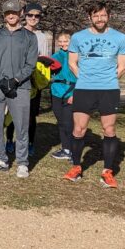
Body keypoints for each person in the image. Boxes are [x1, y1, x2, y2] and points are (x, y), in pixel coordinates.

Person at [63, 3, 125, 188]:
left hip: (109, 90)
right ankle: (76, 167)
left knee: (109, 129)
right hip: (84, 89)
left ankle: (107, 172)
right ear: (89, 17)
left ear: (109, 16)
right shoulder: (78, 37)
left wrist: (108, 80)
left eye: (103, 15)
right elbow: (72, 63)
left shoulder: (120, 38)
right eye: (96, 16)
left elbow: (123, 66)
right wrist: (85, 79)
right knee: (79, 129)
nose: (99, 19)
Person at [0, 0, 38, 178]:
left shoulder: (29, 37)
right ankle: (1, 159)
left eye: (14, 12)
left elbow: (31, 63)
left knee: (21, 126)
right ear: (4, 14)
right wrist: (1, 80)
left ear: (20, 13)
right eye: (8, 13)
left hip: (20, 87)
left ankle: (22, 163)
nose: (11, 15)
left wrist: (16, 80)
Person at [6, 1, 49, 155]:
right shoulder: (17, 32)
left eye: (37, 16)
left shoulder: (42, 37)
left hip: (33, 82)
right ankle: (9, 140)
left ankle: (30, 143)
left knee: (30, 116)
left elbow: (44, 60)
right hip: (16, 79)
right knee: (12, 112)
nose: (33, 18)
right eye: (30, 15)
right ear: (24, 15)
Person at [49, 32, 77, 162]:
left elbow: (82, 77)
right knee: (60, 122)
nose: (63, 44)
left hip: (70, 91)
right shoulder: (55, 56)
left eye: (66, 41)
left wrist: (76, 93)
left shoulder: (77, 56)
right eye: (60, 41)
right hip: (56, 91)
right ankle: (65, 149)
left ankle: (73, 150)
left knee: (68, 122)